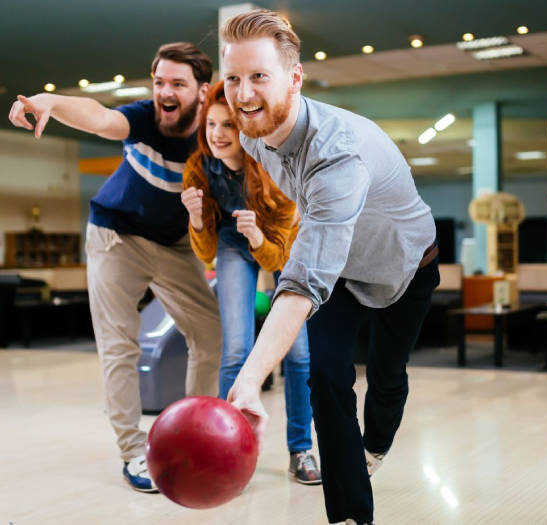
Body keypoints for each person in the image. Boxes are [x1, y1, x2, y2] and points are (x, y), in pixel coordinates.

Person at [218, 9, 439, 525]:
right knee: (326, 377)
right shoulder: (255, 131)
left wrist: (250, 378)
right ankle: (350, 514)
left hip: (407, 268)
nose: (244, 93)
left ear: (295, 78)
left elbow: (301, 282)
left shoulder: (336, 154)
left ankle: (376, 444)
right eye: (233, 78)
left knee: (387, 379)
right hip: (341, 271)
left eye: (258, 77)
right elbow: (313, 267)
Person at [7, 42, 223, 493]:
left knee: (210, 335)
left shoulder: (215, 131)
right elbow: (99, 115)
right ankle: (134, 452)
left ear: (202, 92)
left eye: (178, 84)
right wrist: (50, 102)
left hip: (174, 244)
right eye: (159, 81)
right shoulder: (144, 117)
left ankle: (194, 434)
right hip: (114, 237)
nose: (165, 91)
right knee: (120, 346)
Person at [180, 80, 321, 485]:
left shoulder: (273, 169)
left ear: (244, 126)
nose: (218, 135)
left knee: (297, 352)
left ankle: (301, 449)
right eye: (211, 125)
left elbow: (278, 256)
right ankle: (233, 450)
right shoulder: (200, 167)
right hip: (230, 239)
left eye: (227, 125)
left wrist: (259, 237)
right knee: (236, 348)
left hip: (284, 242)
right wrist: (194, 217)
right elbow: (205, 251)